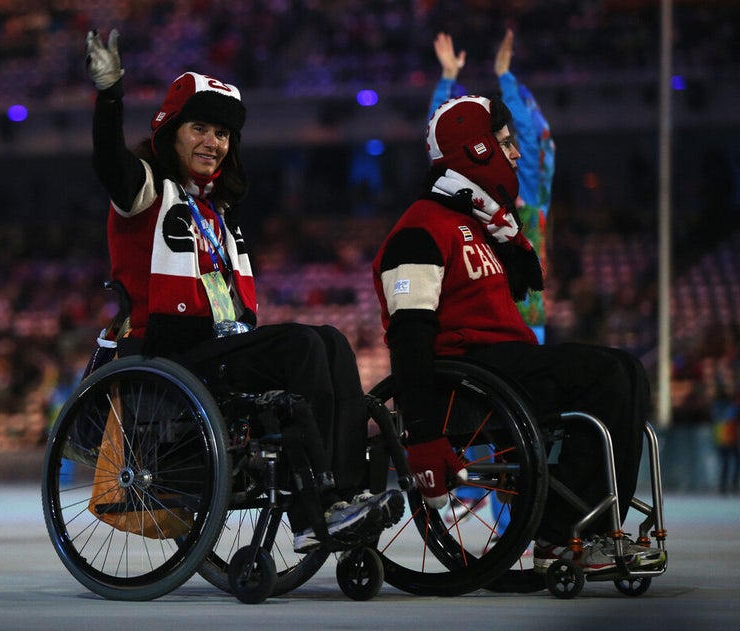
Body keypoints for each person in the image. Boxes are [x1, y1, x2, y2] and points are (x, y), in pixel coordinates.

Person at [85, 28, 401, 553]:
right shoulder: (146, 191)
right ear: (170, 131)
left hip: (216, 347)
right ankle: (311, 512)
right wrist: (110, 93)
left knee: (331, 340)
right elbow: (108, 164)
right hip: (167, 352)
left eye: (224, 134)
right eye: (201, 128)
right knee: (301, 343)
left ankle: (343, 494)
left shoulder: (216, 211)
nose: (214, 142)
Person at [372, 94, 664, 576]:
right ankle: (561, 531)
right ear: (477, 149)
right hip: (465, 381)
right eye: (505, 143)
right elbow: (408, 334)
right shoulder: (419, 230)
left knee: (628, 369)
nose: (516, 154)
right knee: (608, 375)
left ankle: (590, 525)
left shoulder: (481, 226)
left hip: (501, 367)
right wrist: (422, 436)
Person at [427, 28, 556, 533]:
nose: (517, 152)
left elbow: (530, 137)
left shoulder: (532, 200)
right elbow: (443, 141)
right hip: (480, 328)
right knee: (484, 424)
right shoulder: (472, 202)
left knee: (516, 430)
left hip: (525, 326)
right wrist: (447, 83)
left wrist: (506, 79)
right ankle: (486, 501)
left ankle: (515, 517)